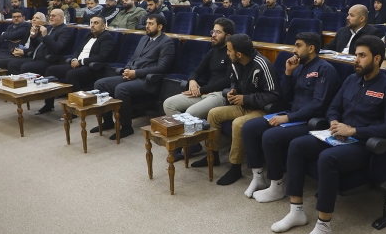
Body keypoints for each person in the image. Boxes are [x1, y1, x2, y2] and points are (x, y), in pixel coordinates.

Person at [270, 35, 386, 234]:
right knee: (297, 145)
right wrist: (333, 121)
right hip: (338, 135)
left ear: (377, 58)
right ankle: (296, 211)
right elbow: (333, 107)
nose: (356, 60)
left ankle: (323, 227)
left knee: (327, 158)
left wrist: (354, 130)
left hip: (363, 144)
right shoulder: (351, 80)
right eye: (356, 55)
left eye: (362, 56)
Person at [242, 32, 340, 200]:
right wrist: (288, 73)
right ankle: (258, 177)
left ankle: (276, 186)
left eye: (298, 45)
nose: (294, 50)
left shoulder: (325, 69)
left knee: (270, 136)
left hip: (310, 121)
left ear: (311, 48)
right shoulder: (299, 67)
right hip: (292, 114)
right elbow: (285, 98)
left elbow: (319, 104)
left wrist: (288, 118)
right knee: (249, 127)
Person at [192, 34, 281, 186]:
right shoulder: (235, 63)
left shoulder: (263, 65)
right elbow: (234, 82)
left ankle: (235, 168)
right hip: (243, 105)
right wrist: (233, 91)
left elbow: (274, 95)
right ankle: (213, 155)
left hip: (261, 110)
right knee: (213, 113)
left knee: (238, 124)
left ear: (239, 54)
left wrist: (246, 99)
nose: (227, 53)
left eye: (229, 50)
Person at [94, 14, 176, 139]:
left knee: (121, 89)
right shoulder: (144, 39)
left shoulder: (167, 42)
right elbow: (134, 58)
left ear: (160, 27)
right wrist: (127, 69)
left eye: (151, 24)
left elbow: (162, 67)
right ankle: (108, 121)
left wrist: (136, 73)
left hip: (148, 80)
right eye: (146, 23)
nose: (147, 26)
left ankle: (126, 127)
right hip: (133, 75)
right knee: (100, 84)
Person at [163, 18, 234, 160]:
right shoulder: (213, 51)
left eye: (218, 32)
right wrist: (192, 81)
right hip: (204, 91)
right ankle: (195, 144)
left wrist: (201, 90)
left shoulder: (231, 53)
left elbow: (226, 81)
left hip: (220, 95)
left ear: (228, 36)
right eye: (213, 31)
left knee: (190, 113)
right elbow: (196, 71)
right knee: (169, 104)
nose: (213, 35)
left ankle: (190, 141)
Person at [40, 15, 114, 115]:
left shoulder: (107, 37)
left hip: (92, 67)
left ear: (103, 26)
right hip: (78, 64)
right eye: (91, 23)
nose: (92, 25)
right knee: (51, 70)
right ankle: (48, 104)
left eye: (96, 23)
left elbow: (101, 57)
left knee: (71, 74)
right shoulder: (89, 35)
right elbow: (78, 50)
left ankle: (76, 107)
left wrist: (80, 62)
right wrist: (74, 59)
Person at [0, 9, 72, 77]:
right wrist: (33, 37)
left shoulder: (64, 30)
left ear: (61, 17)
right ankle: (17, 83)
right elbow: (36, 46)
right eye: (50, 16)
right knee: (13, 64)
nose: (51, 18)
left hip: (48, 59)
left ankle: (26, 84)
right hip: (36, 57)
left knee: (25, 67)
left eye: (53, 16)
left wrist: (45, 36)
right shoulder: (49, 28)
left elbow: (58, 48)